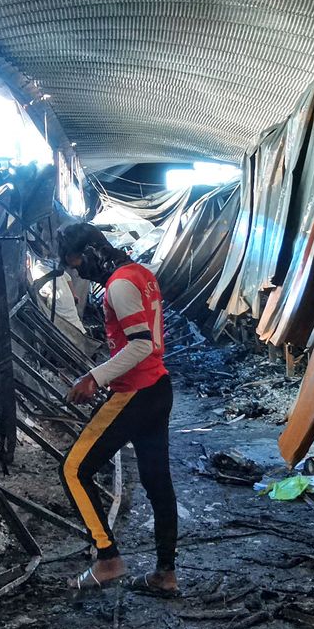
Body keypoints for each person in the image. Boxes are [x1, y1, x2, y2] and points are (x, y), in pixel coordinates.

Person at [56, 222, 179, 595]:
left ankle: (107, 558)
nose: (78, 271)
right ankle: (165, 574)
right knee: (157, 481)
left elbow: (140, 344)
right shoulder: (141, 274)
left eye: (77, 263)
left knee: (74, 469)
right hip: (158, 387)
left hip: (135, 392)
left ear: (92, 251)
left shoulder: (120, 284)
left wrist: (94, 377)